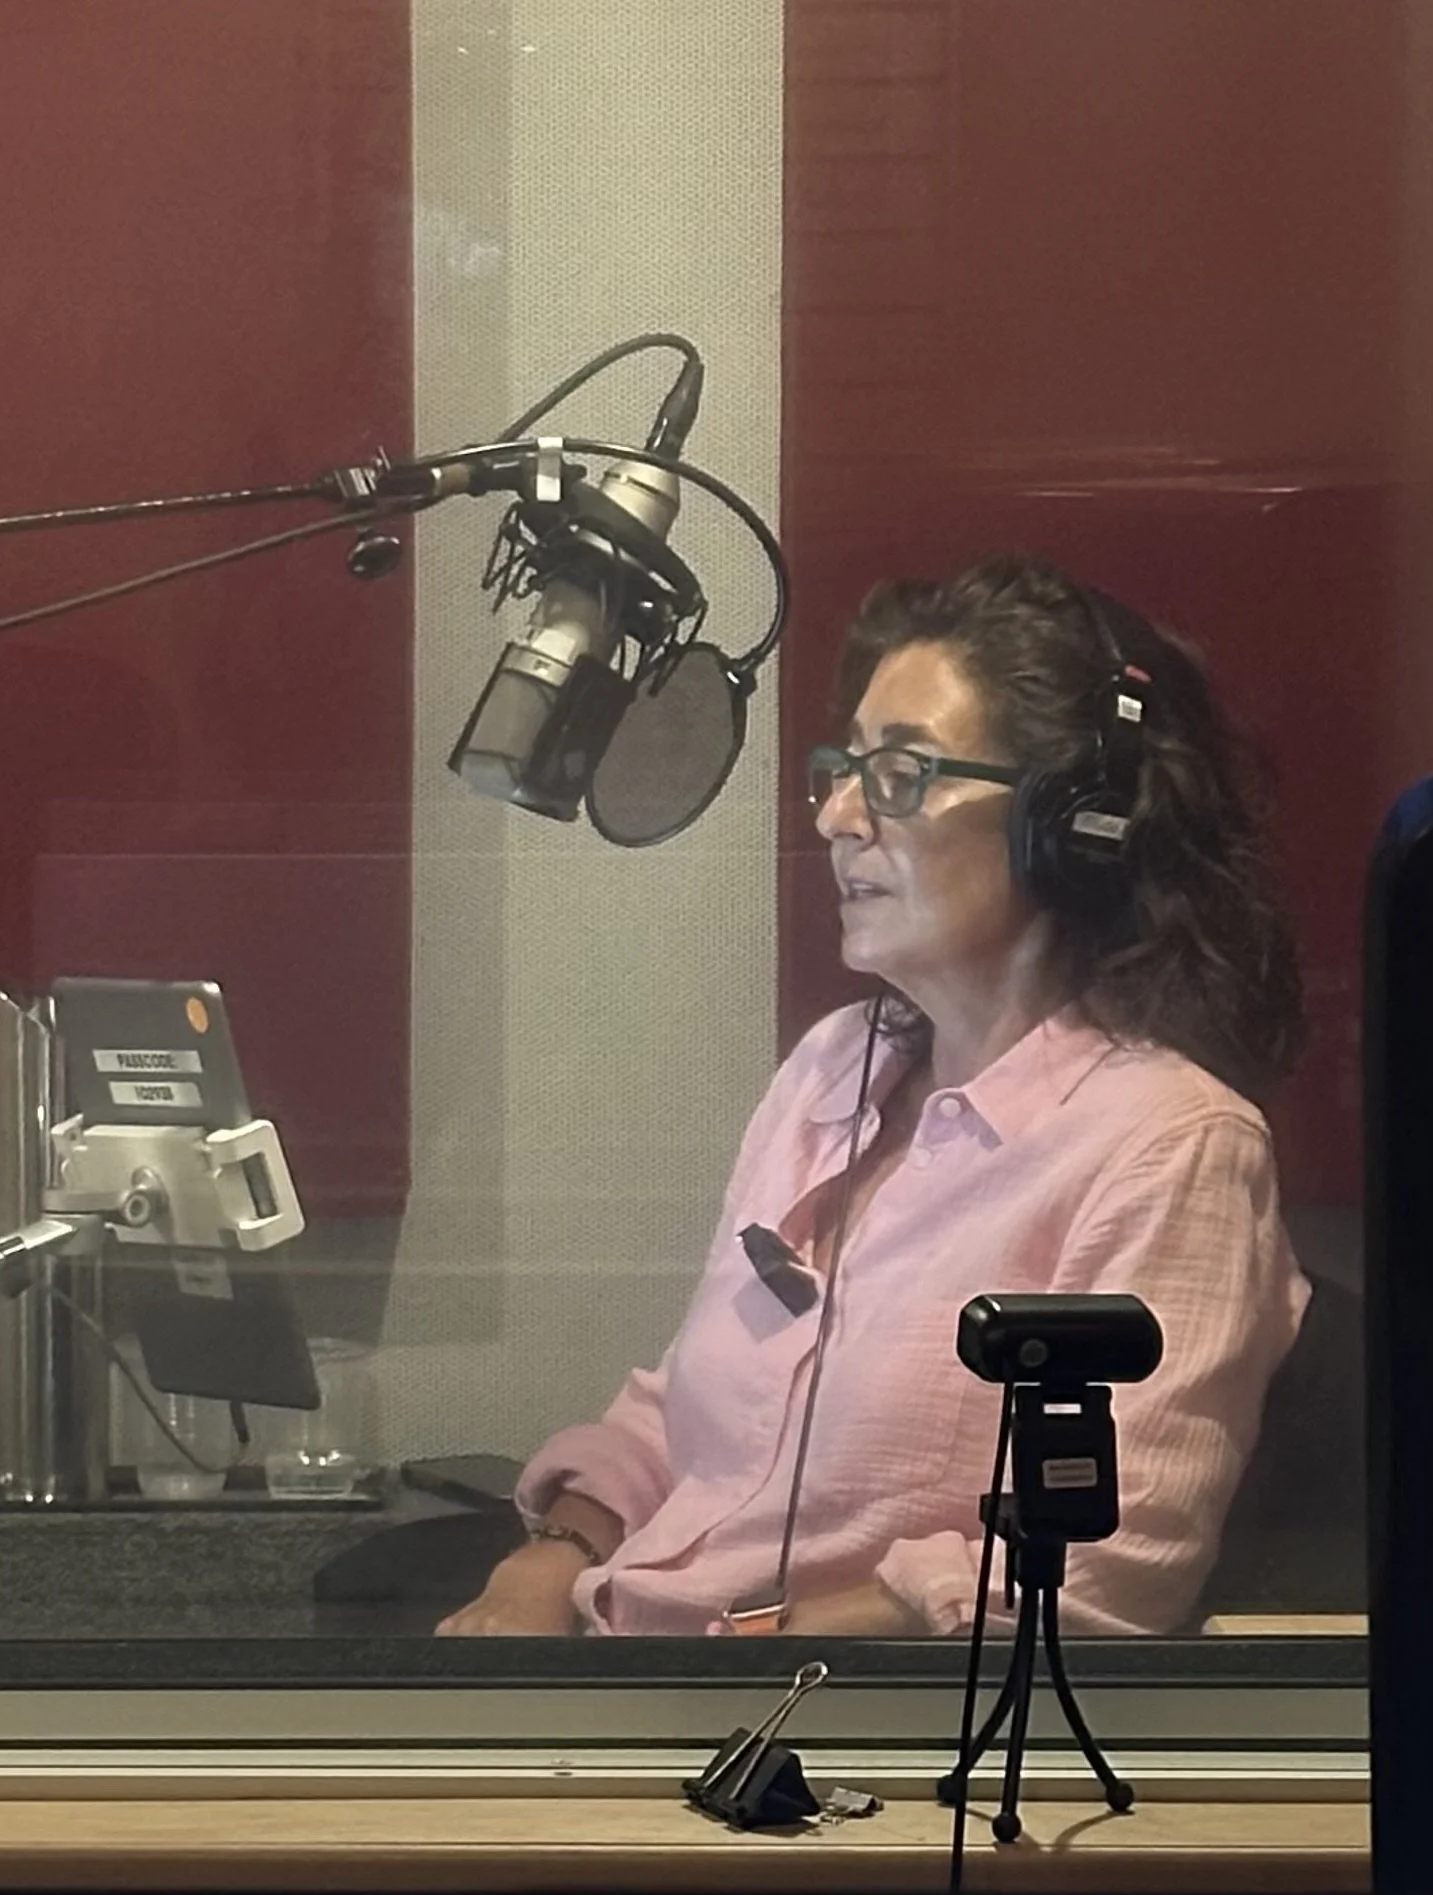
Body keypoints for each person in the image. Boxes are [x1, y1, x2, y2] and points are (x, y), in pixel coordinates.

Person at [439, 555, 1308, 1639]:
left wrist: (749, 1658)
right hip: (631, 1682)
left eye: (898, 774)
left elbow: (1102, 1569)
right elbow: (687, 1418)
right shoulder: (828, 1068)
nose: (839, 814)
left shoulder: (1168, 1145)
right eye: (841, 769)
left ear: (1070, 823)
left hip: (833, 1751)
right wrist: (542, 1562)